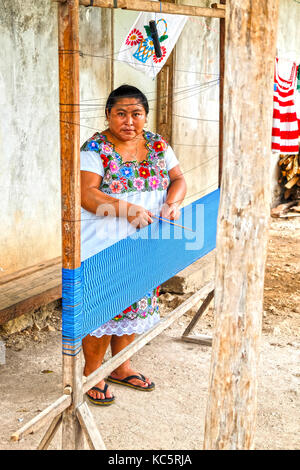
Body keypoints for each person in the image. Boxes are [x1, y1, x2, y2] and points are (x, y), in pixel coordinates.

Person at [80, 84, 187, 405]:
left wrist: (172, 203)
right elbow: (86, 194)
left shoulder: (157, 144)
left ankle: (121, 366)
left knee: (136, 303)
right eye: (121, 113)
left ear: (145, 116)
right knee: (103, 308)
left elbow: (179, 179)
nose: (129, 121)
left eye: (136, 114)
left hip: (145, 242)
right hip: (104, 245)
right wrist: (127, 210)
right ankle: (92, 373)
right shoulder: (94, 148)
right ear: (108, 115)